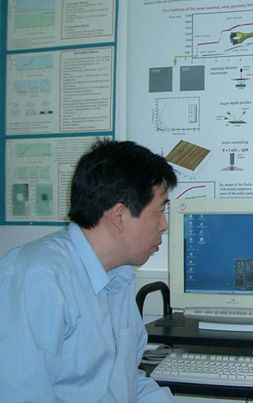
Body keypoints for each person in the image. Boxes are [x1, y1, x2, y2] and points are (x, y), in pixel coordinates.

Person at [0, 139, 178, 402]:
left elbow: (126, 382)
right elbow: (19, 394)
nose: (164, 225)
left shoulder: (118, 276)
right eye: (159, 211)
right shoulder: (36, 277)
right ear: (119, 215)